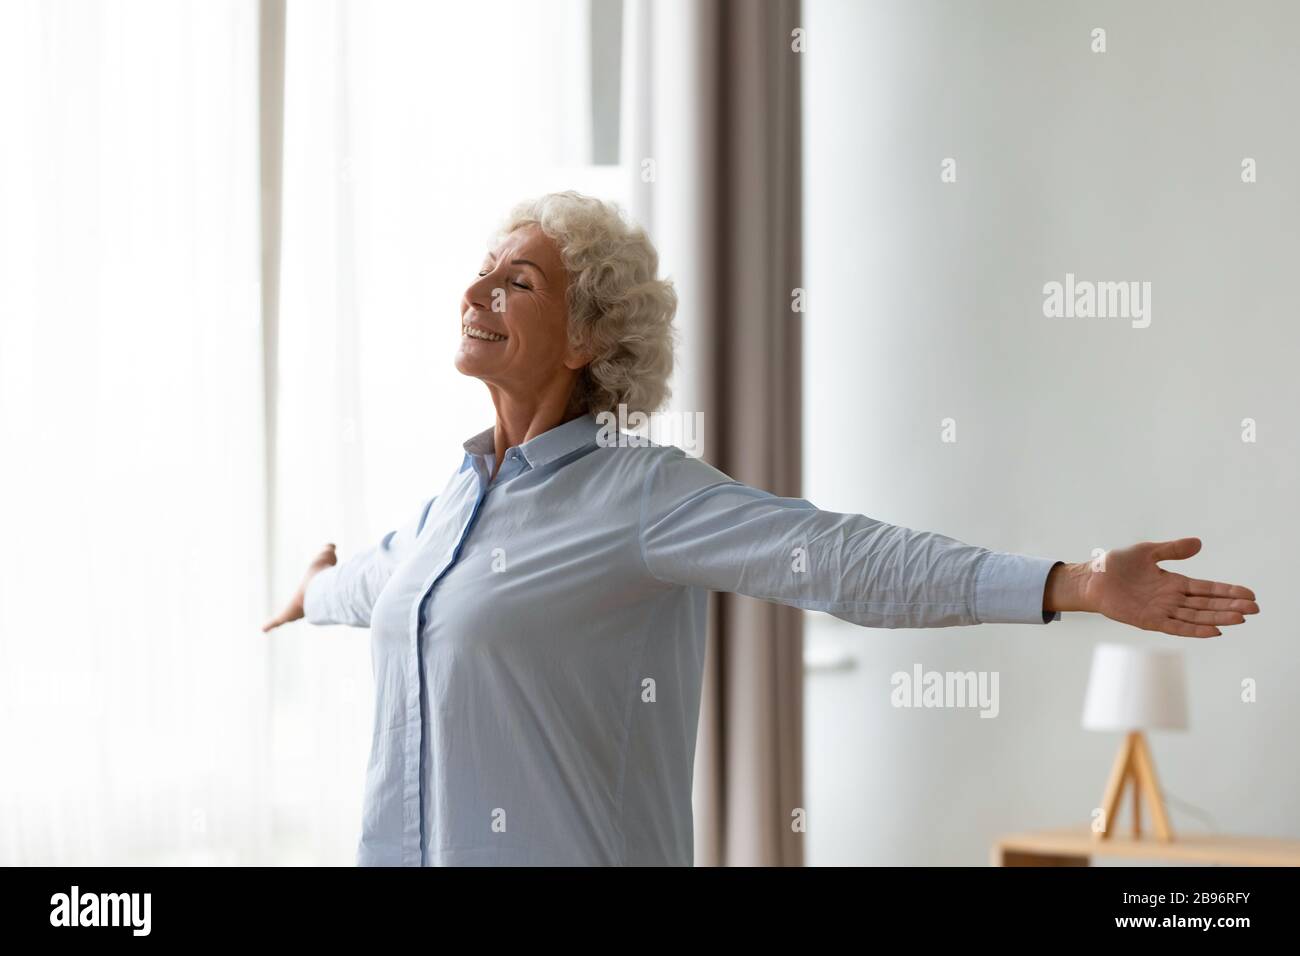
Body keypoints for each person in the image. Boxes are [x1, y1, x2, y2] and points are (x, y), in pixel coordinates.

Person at [262, 190, 1259, 866]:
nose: (477, 289)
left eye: (516, 279)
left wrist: (1071, 581)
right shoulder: (449, 506)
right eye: (483, 270)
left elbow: (838, 556)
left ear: (586, 338)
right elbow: (380, 582)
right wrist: (318, 587)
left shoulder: (639, 495)